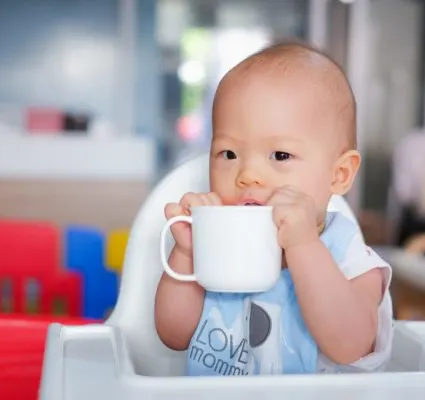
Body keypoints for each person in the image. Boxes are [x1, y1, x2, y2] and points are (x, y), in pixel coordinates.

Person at [154, 41, 393, 376]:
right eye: (229, 154)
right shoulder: (216, 242)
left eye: (280, 155)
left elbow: (350, 344)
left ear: (338, 175)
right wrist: (188, 252)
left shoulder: (349, 254)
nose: (247, 174)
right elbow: (173, 334)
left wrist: (304, 245)